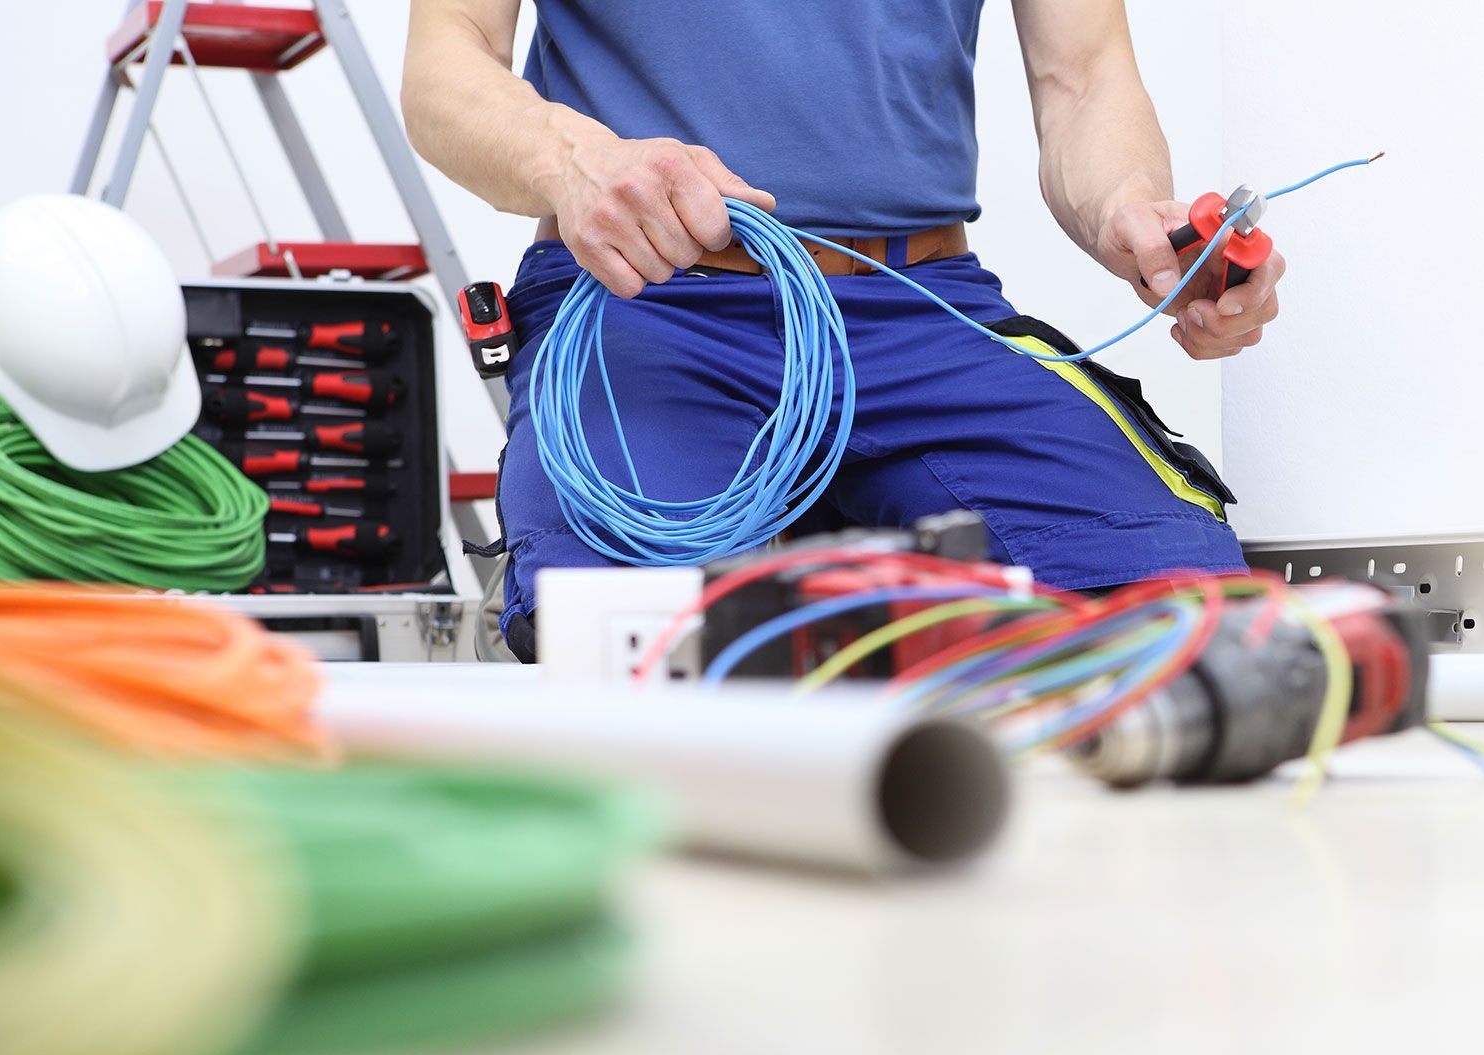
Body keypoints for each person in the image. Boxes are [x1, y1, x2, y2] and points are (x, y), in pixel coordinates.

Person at [402, 0, 1283, 660]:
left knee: (1190, 629)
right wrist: (569, 161)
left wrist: (1132, 213)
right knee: (632, 643)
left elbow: (1085, 79)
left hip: (922, 311)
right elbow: (447, 66)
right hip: (647, 304)